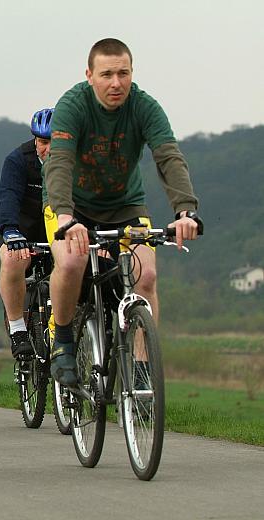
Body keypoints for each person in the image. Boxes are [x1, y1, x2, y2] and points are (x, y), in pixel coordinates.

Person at [43, 38, 203, 387]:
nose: (116, 83)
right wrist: (67, 217)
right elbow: (60, 164)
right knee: (71, 263)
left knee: (146, 277)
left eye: (123, 73)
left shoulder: (144, 107)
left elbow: (168, 157)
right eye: (107, 74)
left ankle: (143, 371)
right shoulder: (73, 105)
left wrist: (185, 210)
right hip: (70, 204)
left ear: (132, 73)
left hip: (126, 204)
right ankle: (64, 340)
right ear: (90, 75)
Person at [0, 109, 53, 359]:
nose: (46, 148)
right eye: (41, 142)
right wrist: (10, 231)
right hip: (21, 230)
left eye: (52, 142)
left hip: (57, 232)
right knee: (12, 259)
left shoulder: (73, 162)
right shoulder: (18, 160)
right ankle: (18, 329)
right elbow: (7, 196)